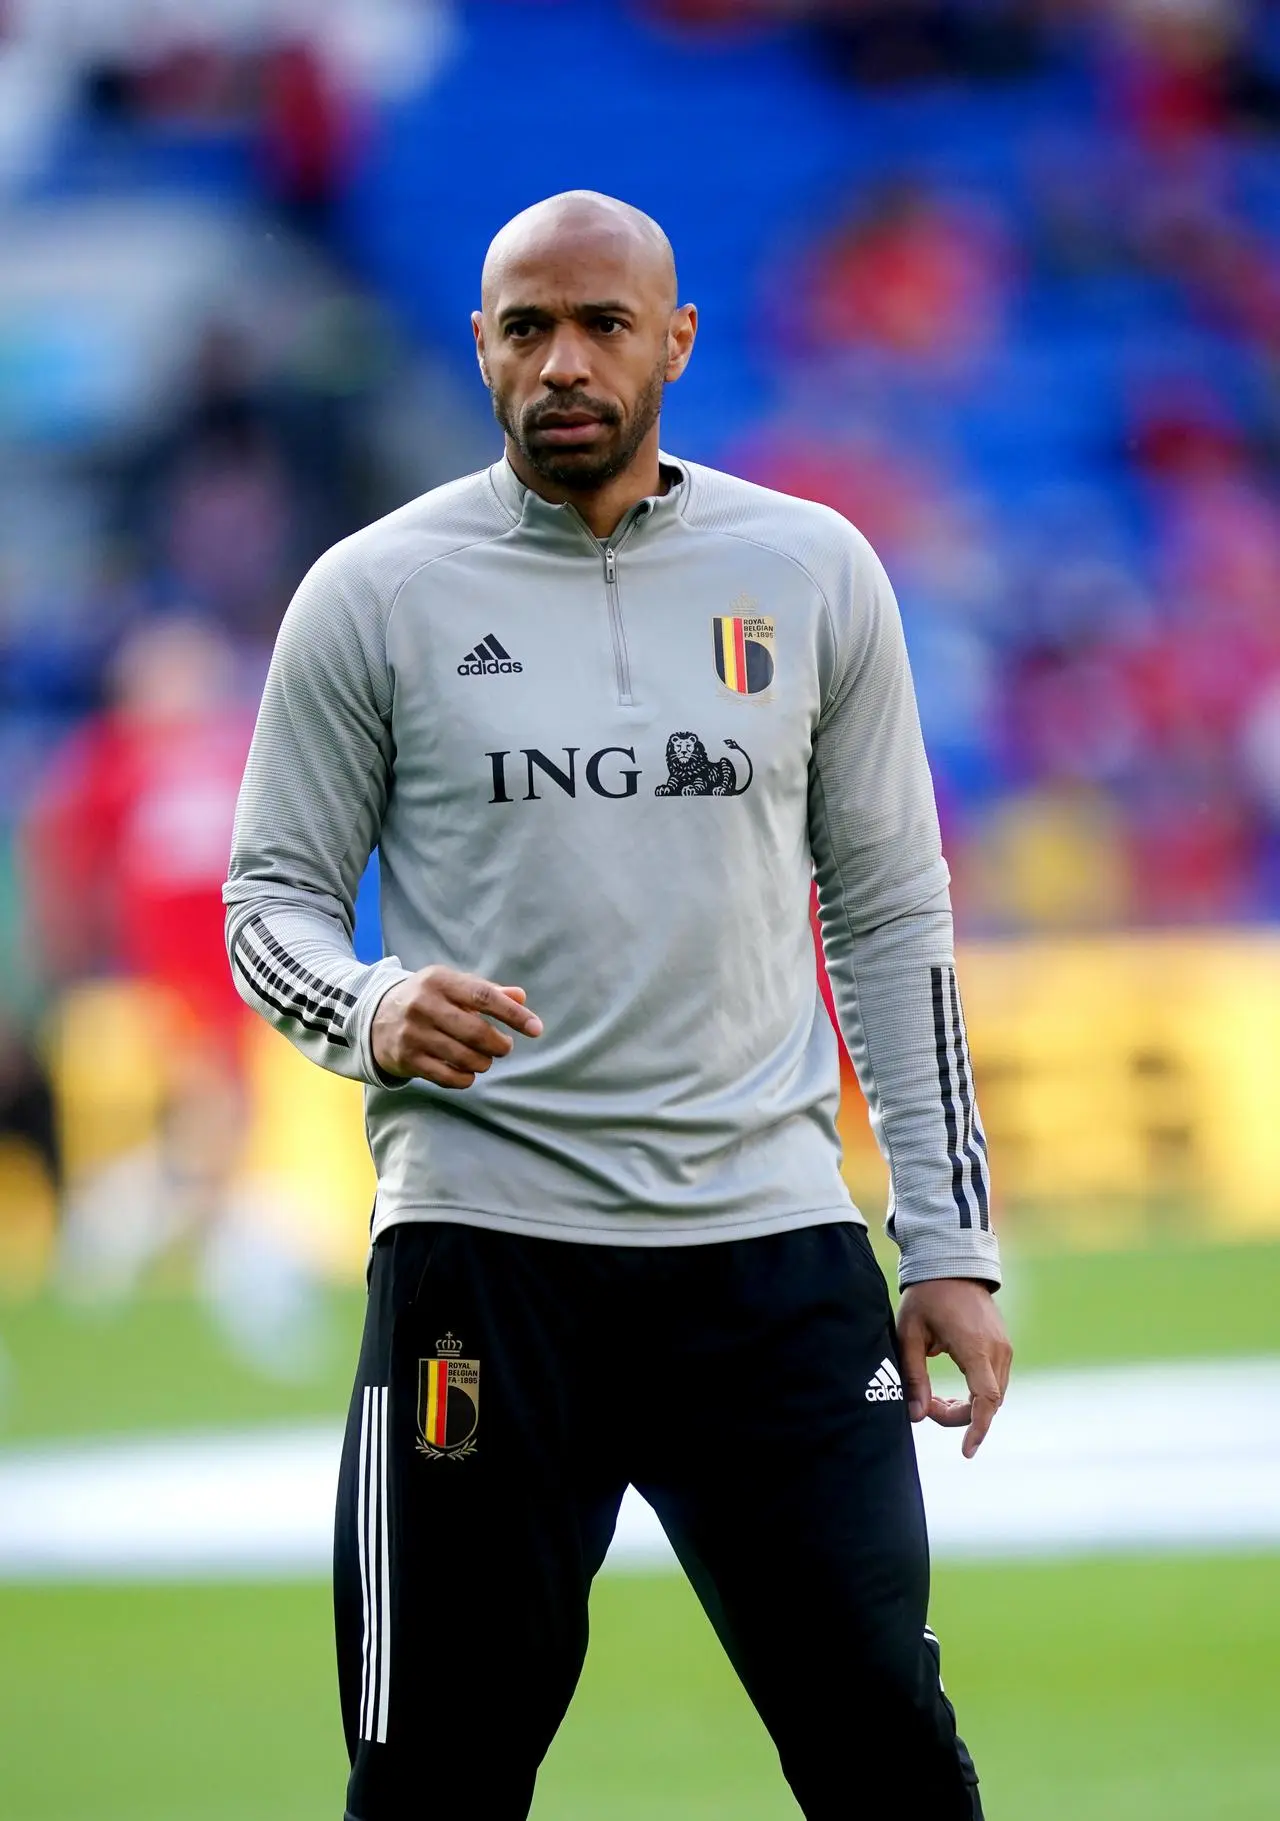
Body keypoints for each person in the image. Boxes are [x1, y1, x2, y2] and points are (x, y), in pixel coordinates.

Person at [224, 190, 1010, 1820]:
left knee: (884, 1744)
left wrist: (947, 1243)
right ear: (480, 347)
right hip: (483, 1264)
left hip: (769, 1256)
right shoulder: (372, 592)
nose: (563, 363)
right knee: (432, 1768)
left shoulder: (811, 570)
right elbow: (268, 905)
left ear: (677, 341)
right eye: (527, 329)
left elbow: (890, 918)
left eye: (601, 326)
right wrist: (369, 1007)